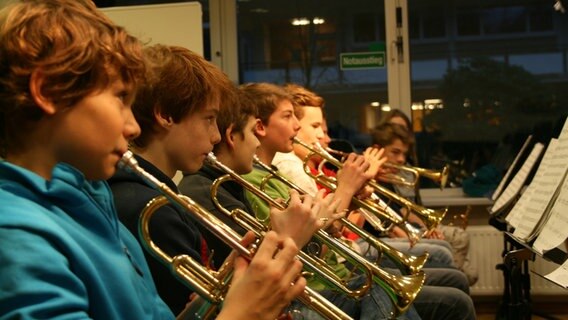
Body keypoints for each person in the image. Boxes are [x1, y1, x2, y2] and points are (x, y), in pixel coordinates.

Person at [108, 44, 309, 319]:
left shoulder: (158, 196)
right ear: (166, 115)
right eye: (209, 119)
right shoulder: (152, 210)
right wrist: (286, 241)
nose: (216, 136)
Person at [0, 1, 171, 318]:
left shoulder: (92, 198)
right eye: (121, 97)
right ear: (50, 90)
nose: (133, 127)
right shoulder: (12, 232)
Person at [276, 84, 476, 320]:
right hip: (344, 260)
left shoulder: (314, 169)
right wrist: (351, 191)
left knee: (447, 268)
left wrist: (355, 194)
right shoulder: (294, 169)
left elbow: (337, 227)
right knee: (447, 279)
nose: (324, 137)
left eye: (323, 127)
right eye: (315, 126)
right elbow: (331, 236)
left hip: (347, 256)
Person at [240, 82, 424, 320]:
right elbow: (312, 248)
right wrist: (346, 191)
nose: (323, 137)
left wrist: (351, 198)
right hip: (315, 285)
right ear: (260, 126)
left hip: (333, 272)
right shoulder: (279, 171)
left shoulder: (277, 171)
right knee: (382, 286)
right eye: (289, 117)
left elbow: (327, 231)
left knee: (386, 284)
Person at [371, 120, 479, 285]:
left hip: (404, 231)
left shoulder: (387, 178)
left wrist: (428, 227)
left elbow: (400, 211)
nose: (401, 159)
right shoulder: (370, 178)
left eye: (404, 154)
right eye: (395, 152)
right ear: (377, 149)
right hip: (387, 239)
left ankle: (454, 281)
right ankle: (452, 282)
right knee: (457, 268)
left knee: (466, 269)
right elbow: (388, 226)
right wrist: (419, 235)